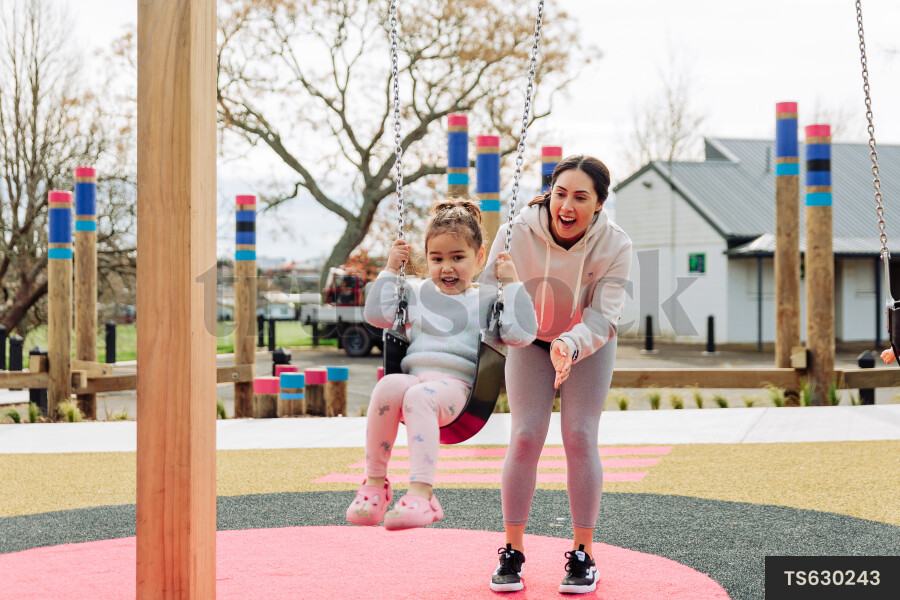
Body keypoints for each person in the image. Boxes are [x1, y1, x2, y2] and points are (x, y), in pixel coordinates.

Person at [480, 155, 632, 594]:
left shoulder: (615, 246)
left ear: (599, 204)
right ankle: (512, 549)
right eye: (561, 193)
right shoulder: (514, 233)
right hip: (529, 340)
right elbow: (490, 298)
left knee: (580, 435)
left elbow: (604, 318)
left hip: (588, 342)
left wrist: (571, 343)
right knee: (526, 435)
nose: (567, 206)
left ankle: (583, 554)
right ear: (550, 193)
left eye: (581, 197)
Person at [346, 198, 538, 530]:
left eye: (457, 257)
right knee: (388, 385)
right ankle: (375, 484)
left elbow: (522, 334)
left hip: (459, 390)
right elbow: (375, 316)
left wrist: (513, 284)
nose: (446, 267)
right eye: (436, 259)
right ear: (426, 259)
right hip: (414, 381)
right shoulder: (417, 293)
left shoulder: (486, 299)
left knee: (419, 397)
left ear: (479, 258)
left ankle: (423, 494)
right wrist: (391, 269)